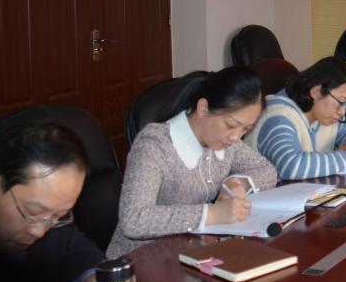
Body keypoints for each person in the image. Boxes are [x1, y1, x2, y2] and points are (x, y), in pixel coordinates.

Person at [107, 68, 277, 257]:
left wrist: (237, 183)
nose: (236, 137)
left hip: (191, 254)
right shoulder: (155, 144)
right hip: (139, 261)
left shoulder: (226, 142)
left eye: (246, 129)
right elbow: (134, 220)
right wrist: (211, 214)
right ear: (203, 109)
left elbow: (266, 170)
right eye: (231, 125)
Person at [0, 120, 103, 282]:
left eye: (60, 215)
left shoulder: (51, 224)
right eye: (32, 212)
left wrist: (93, 275)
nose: (39, 232)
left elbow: (74, 247)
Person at [247, 57, 346, 179]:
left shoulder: (325, 113)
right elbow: (291, 166)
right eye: (341, 102)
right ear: (316, 92)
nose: (342, 112)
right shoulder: (278, 117)